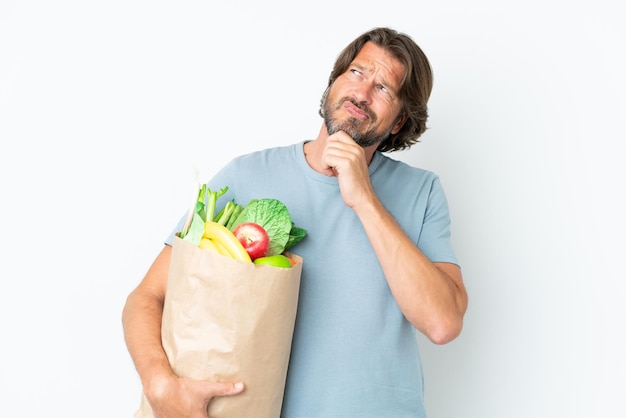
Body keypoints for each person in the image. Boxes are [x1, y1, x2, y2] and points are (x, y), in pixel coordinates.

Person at [122, 26, 468, 417]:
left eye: (384, 88)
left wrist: (365, 200)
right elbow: (147, 297)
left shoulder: (421, 192)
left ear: (399, 123)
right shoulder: (245, 177)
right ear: (334, 82)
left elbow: (443, 323)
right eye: (356, 73)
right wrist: (159, 386)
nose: (363, 92)